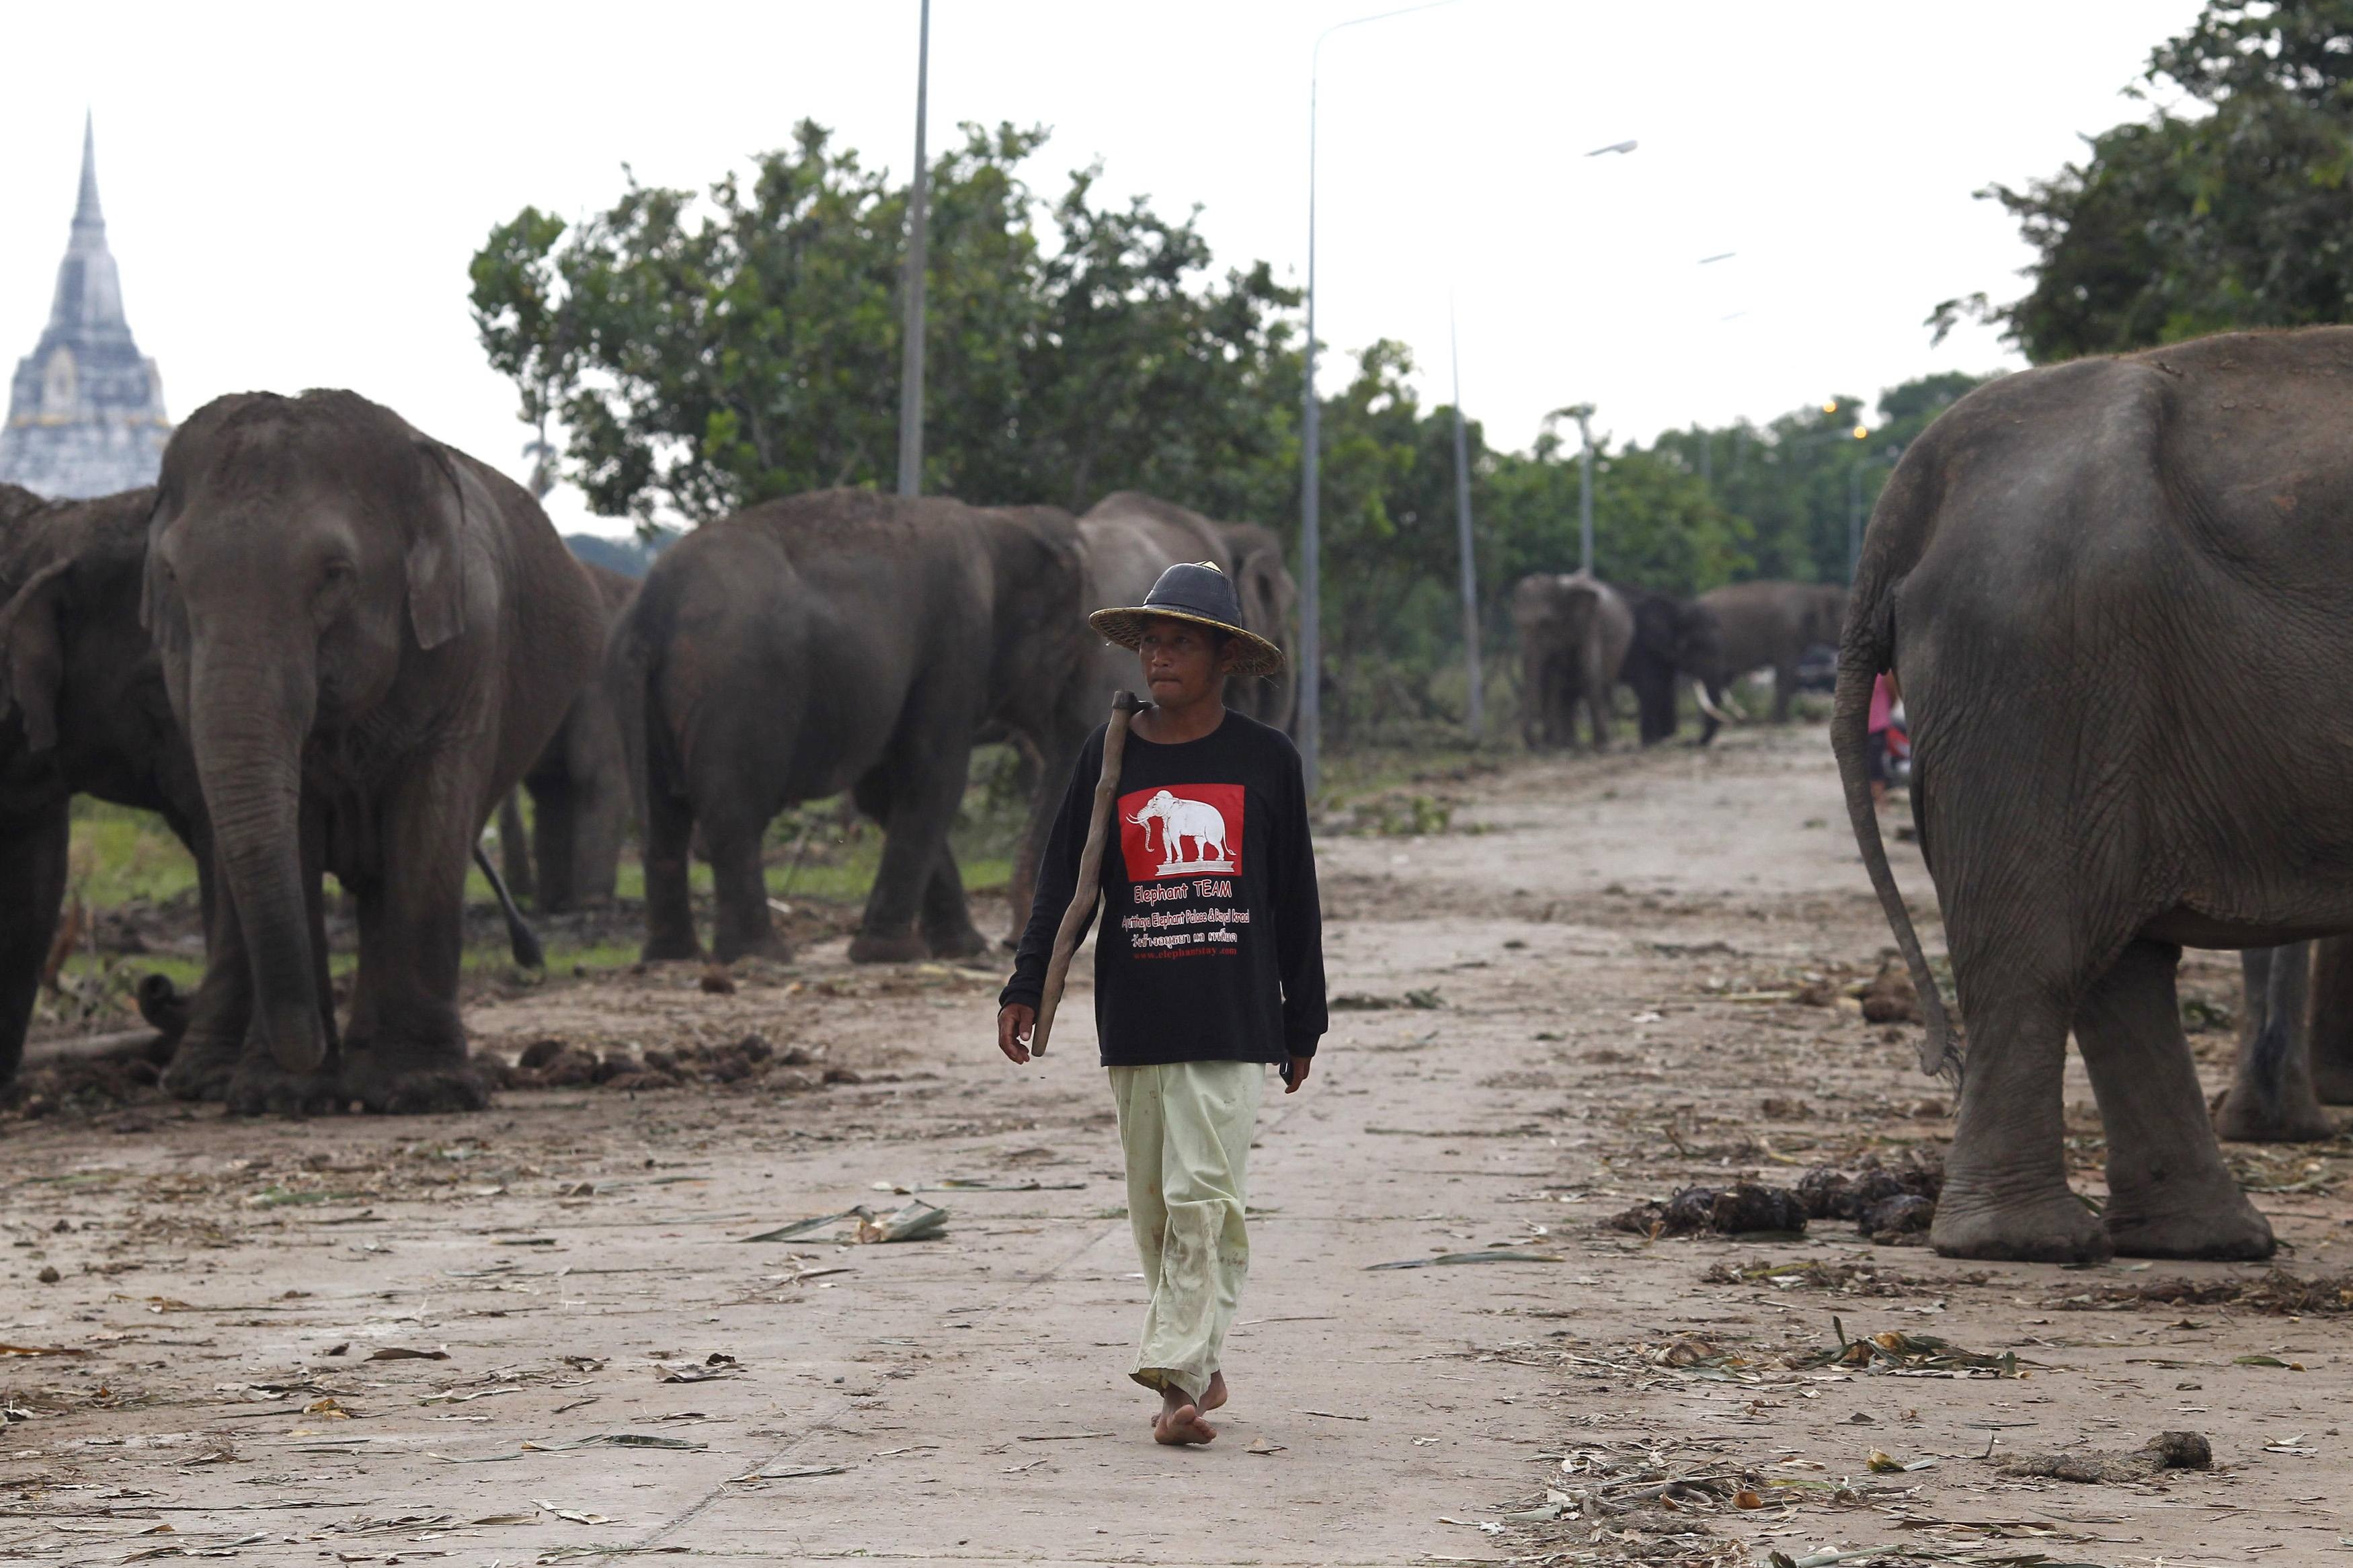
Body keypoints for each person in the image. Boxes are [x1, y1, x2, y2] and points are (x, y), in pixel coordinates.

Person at [997, 561, 1327, 1447]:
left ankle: (1177, 1377)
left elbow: (1295, 898)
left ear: (1225, 654)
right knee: (1152, 1205)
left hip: (1233, 1015)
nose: (1160, 654)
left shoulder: (1267, 760)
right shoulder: (1112, 755)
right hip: (1137, 1015)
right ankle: (1201, 1362)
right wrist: (1028, 982)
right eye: (1151, 639)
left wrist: (1307, 1019)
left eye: (1180, 640)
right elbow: (1066, 881)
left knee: (1203, 1193)